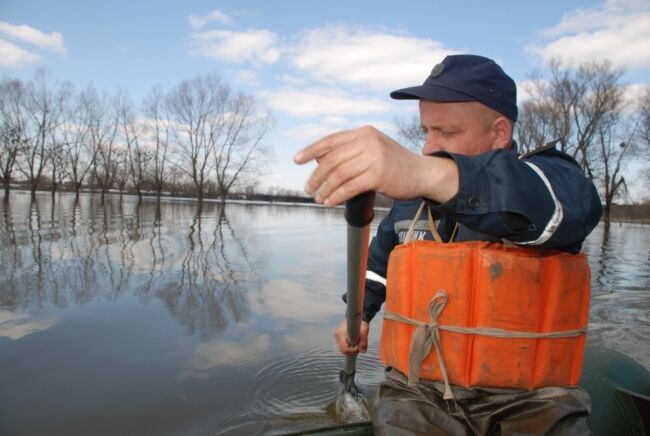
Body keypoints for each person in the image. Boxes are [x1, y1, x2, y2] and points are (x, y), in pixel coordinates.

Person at [294, 54, 602, 435]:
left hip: (529, 398)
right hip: (418, 392)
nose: (427, 148)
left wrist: (422, 174)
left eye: (446, 133)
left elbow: (565, 207)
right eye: (425, 131)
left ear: (499, 132)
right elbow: (378, 265)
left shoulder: (552, 179)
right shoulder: (410, 204)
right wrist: (358, 314)